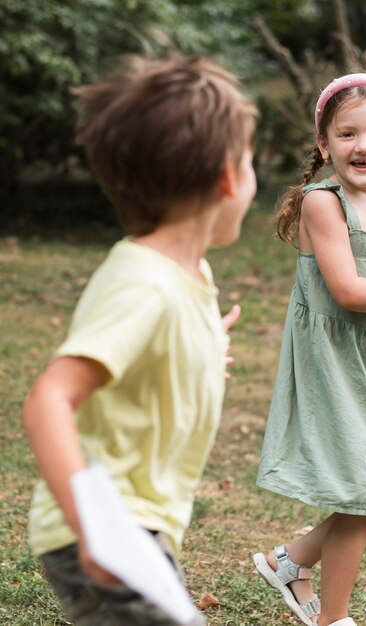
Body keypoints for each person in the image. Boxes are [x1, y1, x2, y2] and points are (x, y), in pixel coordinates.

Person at [23, 54, 257, 626]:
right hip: (112, 531)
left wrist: (199, 347)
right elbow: (49, 400)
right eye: (252, 162)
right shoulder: (144, 284)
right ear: (229, 175)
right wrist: (94, 529)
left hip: (141, 529)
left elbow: (153, 353)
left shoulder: (186, 274)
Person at [252, 73, 366, 626]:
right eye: (347, 134)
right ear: (324, 144)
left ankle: (291, 560)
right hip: (332, 361)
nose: (363, 146)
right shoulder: (321, 204)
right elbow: (349, 291)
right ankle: (332, 618)